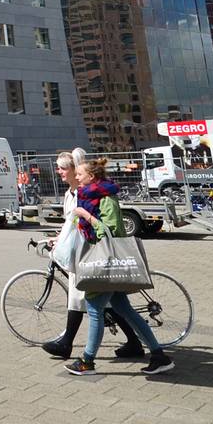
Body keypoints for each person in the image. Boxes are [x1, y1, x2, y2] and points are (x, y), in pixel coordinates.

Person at [62, 158, 174, 376]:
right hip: (105, 264)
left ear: (91, 177)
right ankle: (159, 355)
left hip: (106, 263)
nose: (77, 176)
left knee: (94, 309)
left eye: (80, 174)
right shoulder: (89, 197)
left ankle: (87, 361)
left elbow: (111, 232)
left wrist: (85, 216)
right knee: (126, 311)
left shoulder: (106, 199)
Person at [42, 148, 143, 360]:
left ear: (73, 170)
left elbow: (91, 223)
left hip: (89, 251)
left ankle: (76, 350)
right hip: (83, 249)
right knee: (110, 302)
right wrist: (59, 237)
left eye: (63, 168)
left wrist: (74, 231)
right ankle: (136, 343)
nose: (59, 172)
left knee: (86, 299)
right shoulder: (70, 194)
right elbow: (70, 223)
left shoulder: (84, 193)